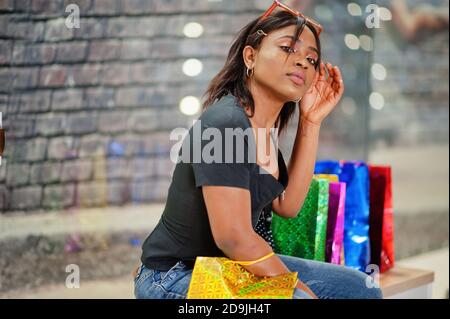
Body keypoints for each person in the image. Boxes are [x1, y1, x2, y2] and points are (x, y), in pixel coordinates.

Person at [134, 3, 383, 300]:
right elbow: (234, 237)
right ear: (250, 56)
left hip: (228, 266)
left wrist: (311, 121)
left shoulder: (264, 129)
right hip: (176, 276)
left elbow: (288, 206)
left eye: (311, 58)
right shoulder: (225, 123)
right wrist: (302, 292)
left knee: (359, 288)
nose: (303, 62)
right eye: (287, 48)